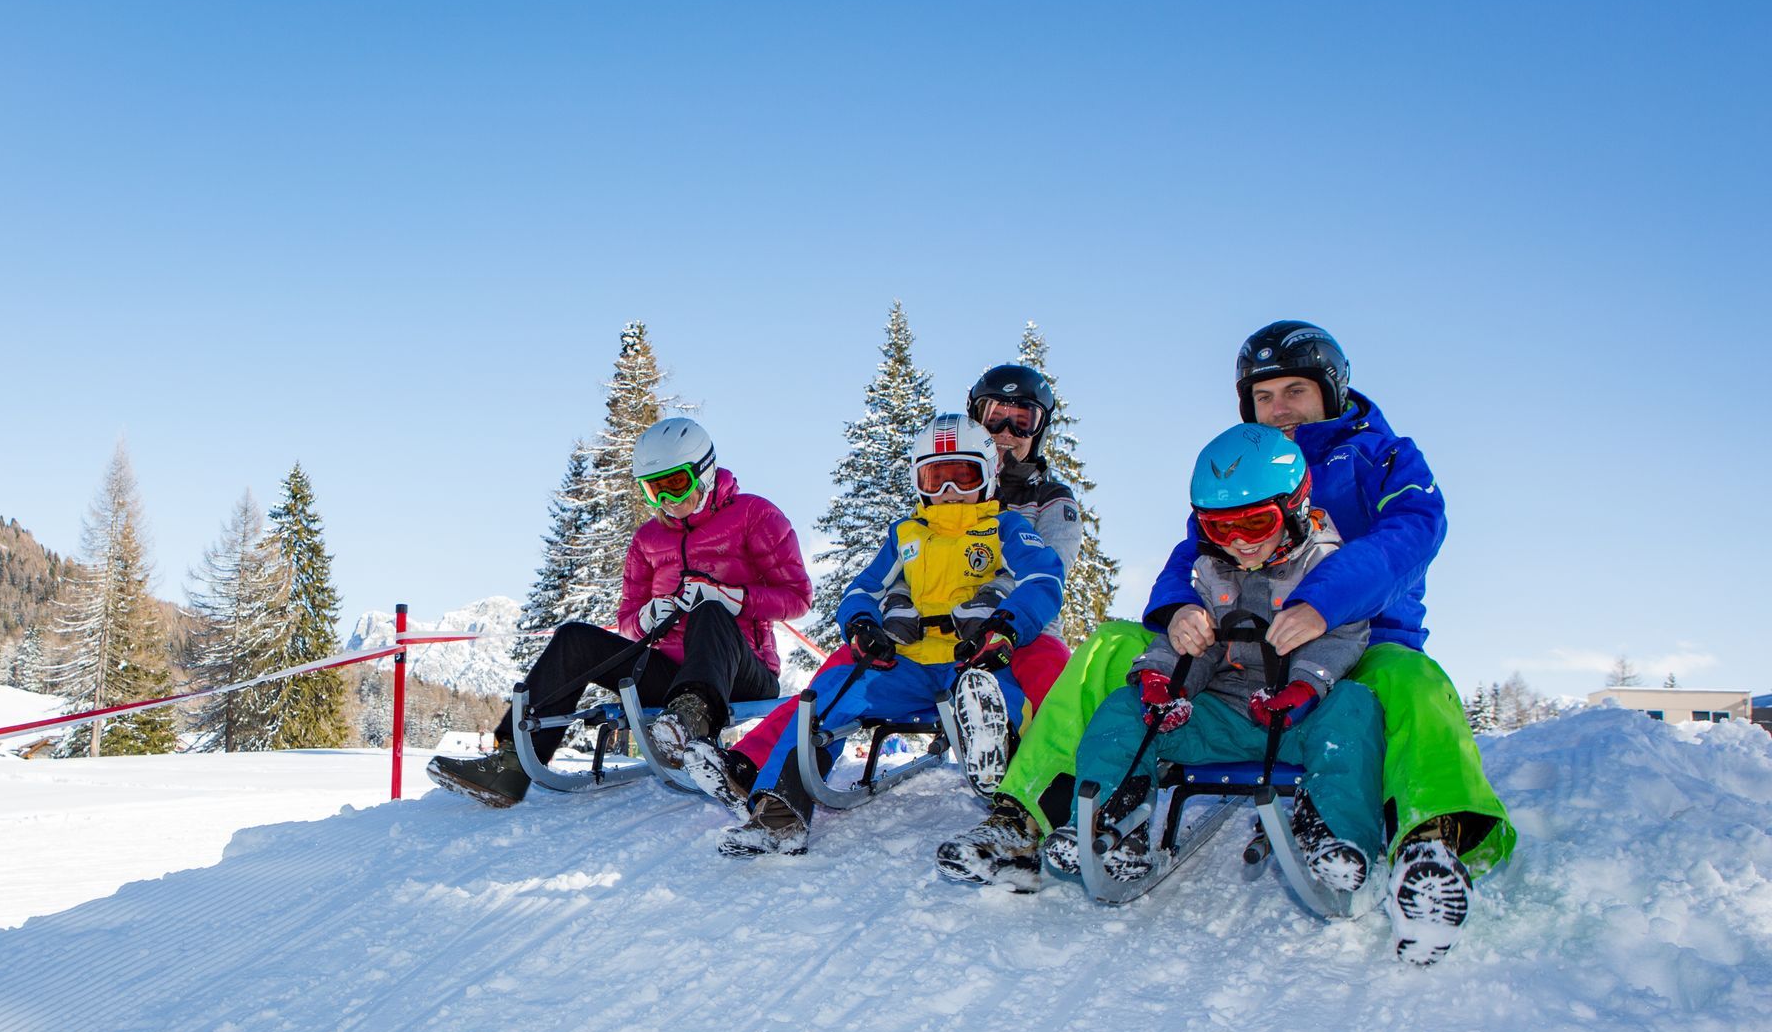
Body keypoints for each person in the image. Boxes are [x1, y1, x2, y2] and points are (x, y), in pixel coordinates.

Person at [943, 320, 1512, 964]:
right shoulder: (1240, 464)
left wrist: (1323, 604)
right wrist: (1179, 607)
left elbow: (1413, 531)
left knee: (1413, 682)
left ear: (1332, 389)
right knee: (1110, 647)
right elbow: (1192, 552)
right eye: (1265, 397)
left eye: (1295, 391)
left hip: (1356, 644)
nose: (1280, 409)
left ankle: (1432, 842)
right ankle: (1033, 816)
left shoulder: (1383, 456)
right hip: (1233, 652)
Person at [682, 364, 1079, 816]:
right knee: (844, 668)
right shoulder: (923, 515)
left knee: (1050, 671)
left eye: (1021, 421)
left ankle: (1051, 789)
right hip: (920, 643)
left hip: (1014, 633)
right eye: (996, 416)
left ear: (1039, 429)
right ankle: (754, 764)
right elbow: (892, 576)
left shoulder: (1047, 499)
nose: (1007, 431)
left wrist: (996, 612)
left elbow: (1051, 571)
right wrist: (886, 612)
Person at [1052, 424, 1384, 901]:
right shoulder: (1210, 569)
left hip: (1301, 719)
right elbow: (1190, 642)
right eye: (1218, 527)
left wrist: (1306, 687)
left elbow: (1349, 634)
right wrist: (1160, 677)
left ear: (1294, 508)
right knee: (1126, 711)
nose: (1238, 542)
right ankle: (1113, 818)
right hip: (1222, 713)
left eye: (1255, 524)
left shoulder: (1329, 565)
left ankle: (1334, 834)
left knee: (1355, 708)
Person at [426, 416, 812, 807]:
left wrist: (731, 599)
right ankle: (510, 763)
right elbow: (627, 618)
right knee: (574, 639)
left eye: (675, 484)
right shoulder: (648, 539)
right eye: (654, 489)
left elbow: (798, 597)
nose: (666, 501)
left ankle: (685, 726)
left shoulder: (755, 516)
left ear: (705, 472)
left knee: (711, 611)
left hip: (741, 672)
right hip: (668, 676)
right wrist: (647, 618)